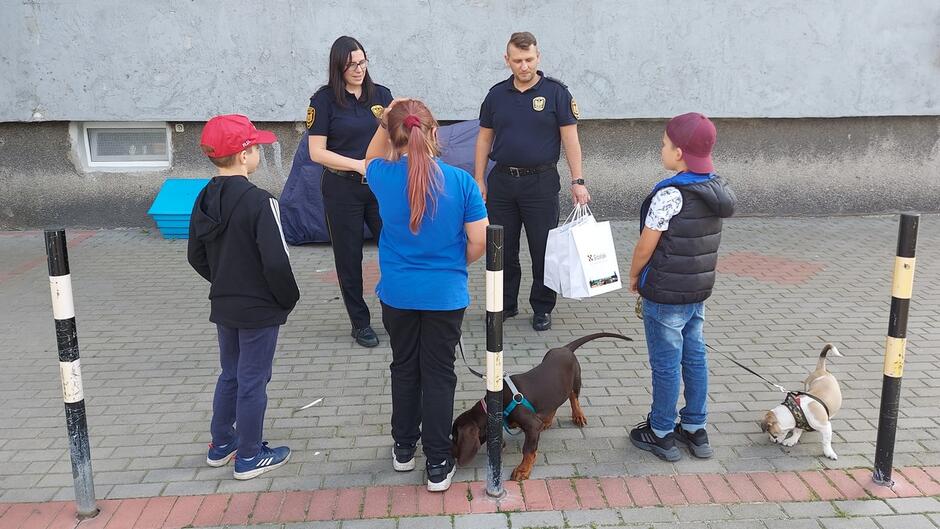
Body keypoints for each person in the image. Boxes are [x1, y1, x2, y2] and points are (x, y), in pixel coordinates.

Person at [364, 98, 488, 492]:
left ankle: (403, 448)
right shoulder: (462, 181)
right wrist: (453, 265)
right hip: (444, 294)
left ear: (393, 135)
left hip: (397, 292)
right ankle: (437, 462)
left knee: (403, 367)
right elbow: (478, 241)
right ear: (434, 132)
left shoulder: (381, 175)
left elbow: (372, 154)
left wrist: (386, 119)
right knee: (438, 374)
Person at [188, 114, 300, 479]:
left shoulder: (203, 197)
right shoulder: (260, 202)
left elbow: (196, 255)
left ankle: (222, 443)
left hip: (224, 303)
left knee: (231, 374)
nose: (258, 152)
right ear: (242, 155)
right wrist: (286, 299)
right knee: (253, 380)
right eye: (255, 147)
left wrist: (222, 281)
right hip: (259, 307)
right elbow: (277, 263)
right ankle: (250, 455)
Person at [627, 112, 735, 462]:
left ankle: (660, 431)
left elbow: (647, 243)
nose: (662, 148)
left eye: (664, 144)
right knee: (696, 357)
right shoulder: (715, 188)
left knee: (666, 363)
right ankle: (695, 428)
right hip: (696, 291)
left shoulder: (670, 193)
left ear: (679, 153)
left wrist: (634, 274)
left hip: (664, 294)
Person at [474, 31, 591, 332]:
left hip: (540, 182)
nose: (523, 66)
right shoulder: (496, 95)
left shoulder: (556, 93)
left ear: (538, 57)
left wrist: (578, 180)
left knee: (543, 249)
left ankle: (542, 307)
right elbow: (483, 139)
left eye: (529, 59)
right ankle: (504, 304)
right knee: (502, 248)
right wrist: (478, 179)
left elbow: (571, 141)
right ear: (507, 60)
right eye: (517, 60)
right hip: (502, 182)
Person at [307, 36, 393, 348]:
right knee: (349, 257)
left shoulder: (381, 95)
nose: (358, 69)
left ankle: (393, 316)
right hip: (342, 187)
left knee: (394, 249)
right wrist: (358, 165)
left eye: (362, 62)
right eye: (351, 65)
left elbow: (396, 138)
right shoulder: (324, 100)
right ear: (338, 67)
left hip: (381, 187)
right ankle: (360, 323)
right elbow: (317, 152)